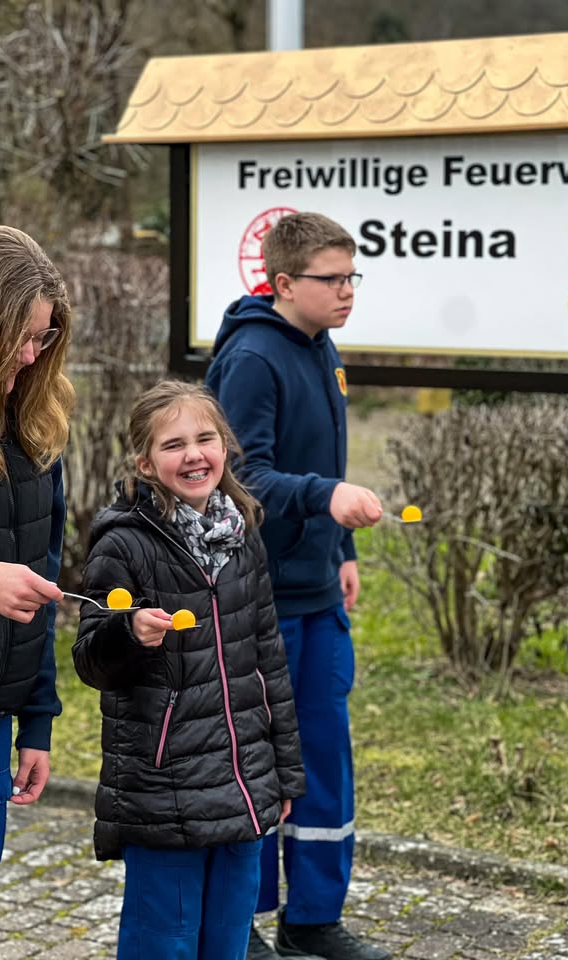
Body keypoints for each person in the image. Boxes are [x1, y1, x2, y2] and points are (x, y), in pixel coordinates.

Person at [206, 212, 390, 960]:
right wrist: (323, 498)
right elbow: (239, 473)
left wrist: (340, 546)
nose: (347, 291)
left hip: (318, 593)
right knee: (259, 760)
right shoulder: (253, 356)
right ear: (284, 283)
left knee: (323, 756)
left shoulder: (323, 348)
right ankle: (239, 925)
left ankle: (314, 920)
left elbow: (326, 454)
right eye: (332, 279)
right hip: (262, 599)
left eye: (353, 277)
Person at [72, 380, 306, 960]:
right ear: (144, 461)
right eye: (173, 445)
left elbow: (269, 659)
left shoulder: (243, 533)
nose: (194, 455)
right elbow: (91, 660)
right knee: (164, 943)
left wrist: (284, 774)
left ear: (225, 445)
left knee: (226, 942)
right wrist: (129, 634)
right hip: (163, 788)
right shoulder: (123, 544)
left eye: (205, 438)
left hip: (244, 785)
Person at [0, 225, 75, 960]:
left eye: (45, 337)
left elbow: (42, 587)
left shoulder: (36, 429)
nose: (33, 356)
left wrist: (38, 718)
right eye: (19, 338)